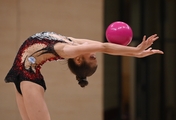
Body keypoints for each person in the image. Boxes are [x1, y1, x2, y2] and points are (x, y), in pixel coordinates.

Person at [4, 31, 163, 120]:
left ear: (79, 59)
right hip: (20, 74)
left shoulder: (67, 50)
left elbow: (103, 47)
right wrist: (134, 54)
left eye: (92, 57)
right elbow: (101, 45)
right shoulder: (71, 42)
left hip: (29, 79)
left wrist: (135, 50)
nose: (94, 52)